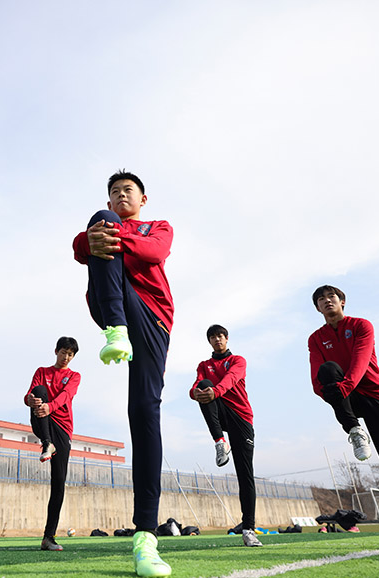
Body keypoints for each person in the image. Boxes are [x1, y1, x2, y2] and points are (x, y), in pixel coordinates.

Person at [72, 170, 174, 578]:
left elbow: (155, 251)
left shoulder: (158, 226)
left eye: (127, 190)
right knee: (100, 223)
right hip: (111, 309)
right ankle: (115, 329)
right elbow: (78, 247)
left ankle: (145, 536)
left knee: (143, 411)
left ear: (143, 199)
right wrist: (90, 239)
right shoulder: (105, 220)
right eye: (114, 192)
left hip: (152, 317)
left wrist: (110, 238)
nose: (120, 196)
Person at [308, 285, 379, 508]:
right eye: (321, 299)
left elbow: (361, 360)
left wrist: (344, 388)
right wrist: (327, 394)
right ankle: (354, 429)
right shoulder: (316, 338)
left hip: (375, 395)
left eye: (331, 296)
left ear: (342, 301)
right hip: (346, 399)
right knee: (328, 369)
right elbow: (317, 376)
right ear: (317, 308)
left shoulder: (361, 325)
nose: (327, 300)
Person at [189, 324, 261, 547]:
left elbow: (231, 378)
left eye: (220, 336)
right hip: (218, 411)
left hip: (240, 417)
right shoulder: (204, 365)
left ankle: (248, 529)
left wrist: (215, 392)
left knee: (245, 475)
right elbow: (196, 386)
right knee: (204, 386)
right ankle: (220, 441)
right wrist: (195, 393)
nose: (217, 339)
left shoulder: (238, 360)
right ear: (209, 341)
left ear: (227, 338)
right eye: (213, 337)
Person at [24, 336, 81, 552]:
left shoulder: (74, 376)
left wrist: (51, 406)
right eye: (63, 352)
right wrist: (29, 400)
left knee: (58, 482)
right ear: (56, 351)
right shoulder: (42, 371)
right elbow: (29, 394)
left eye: (70, 354)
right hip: (42, 420)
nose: (66, 357)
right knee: (39, 391)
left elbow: (67, 395)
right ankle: (47, 443)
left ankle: (48, 537)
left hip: (62, 427)